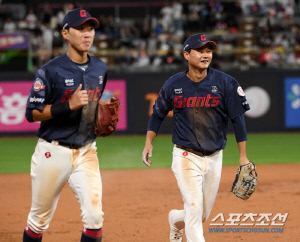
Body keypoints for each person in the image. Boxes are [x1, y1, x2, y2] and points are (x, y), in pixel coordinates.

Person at [142, 33, 252, 242]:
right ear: (186, 54)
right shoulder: (174, 84)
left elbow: (238, 120)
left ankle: (174, 220)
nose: (205, 55)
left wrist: (243, 157)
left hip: (214, 157)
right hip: (185, 155)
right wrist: (149, 142)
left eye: (208, 50)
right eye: (200, 50)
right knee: (194, 207)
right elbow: (157, 115)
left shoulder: (225, 82)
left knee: (201, 214)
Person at [23, 8, 107, 242]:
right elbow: (32, 114)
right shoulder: (50, 71)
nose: (87, 34)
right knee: (38, 222)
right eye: (80, 29)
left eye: (90, 28)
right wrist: (67, 106)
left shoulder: (100, 68)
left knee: (94, 218)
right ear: (66, 34)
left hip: (87, 150)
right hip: (53, 152)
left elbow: (93, 104)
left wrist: (99, 112)